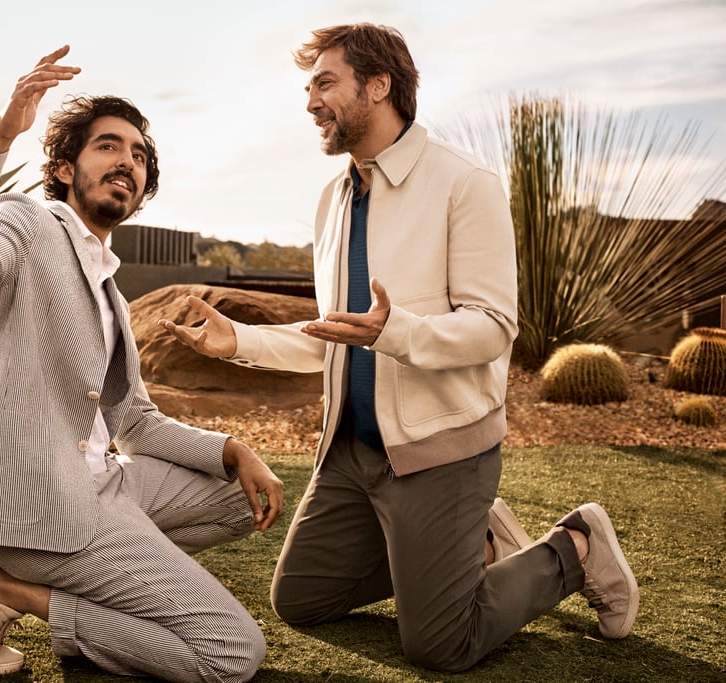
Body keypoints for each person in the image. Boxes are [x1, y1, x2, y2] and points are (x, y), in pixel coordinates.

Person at [160, 24, 638, 672]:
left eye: (325, 82)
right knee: (301, 597)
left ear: (379, 85)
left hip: (439, 450)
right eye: (309, 87)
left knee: (441, 642)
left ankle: (575, 548)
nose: (310, 101)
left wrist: (398, 332)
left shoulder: (463, 182)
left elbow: (494, 326)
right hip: (351, 453)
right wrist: (236, 339)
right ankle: (476, 545)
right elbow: (336, 337)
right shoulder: (335, 198)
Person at [0, 46, 284, 683]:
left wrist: (232, 449)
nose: (128, 162)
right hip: (39, 503)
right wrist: (1, 135)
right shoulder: (25, 221)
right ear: (62, 167)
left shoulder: (108, 285)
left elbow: (134, 422)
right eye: (109, 146)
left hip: (106, 484)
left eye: (138, 156)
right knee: (232, 656)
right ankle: (10, 591)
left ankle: (102, 590)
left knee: (241, 500)